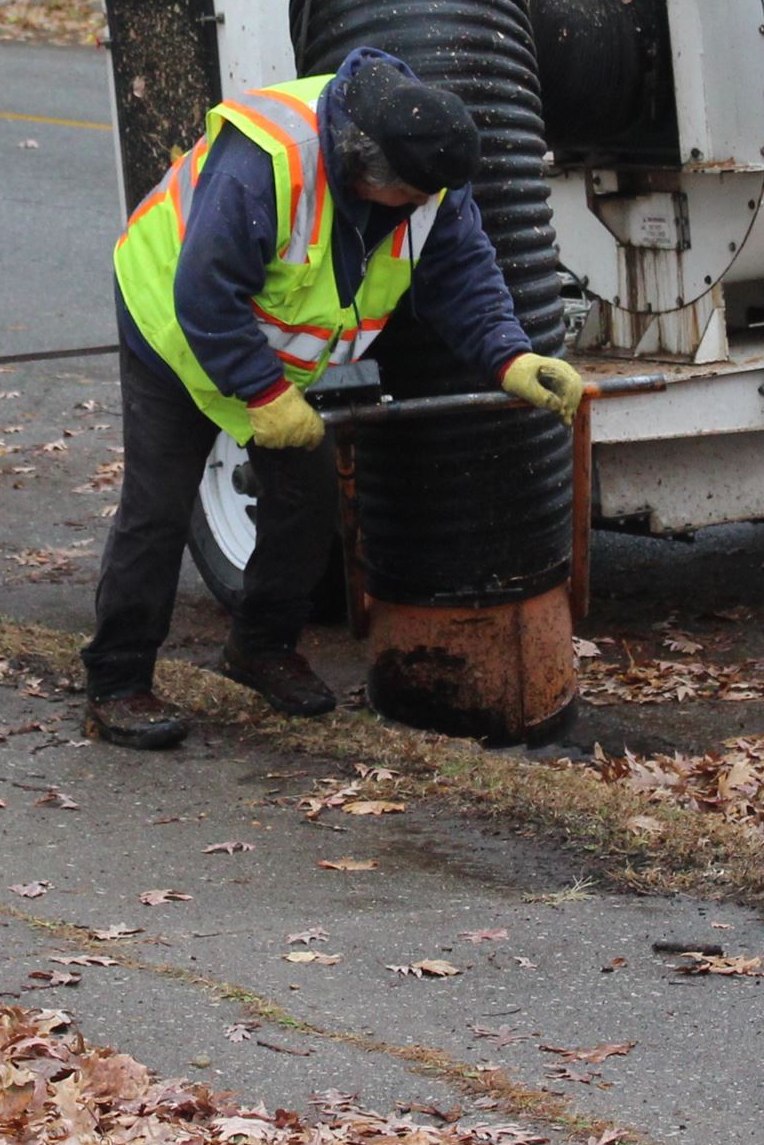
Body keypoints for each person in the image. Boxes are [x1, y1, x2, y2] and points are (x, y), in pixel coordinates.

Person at [82, 47, 586, 750]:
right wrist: (261, 393)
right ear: (363, 170)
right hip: (170, 318)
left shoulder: (426, 168)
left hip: (266, 345)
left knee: (307, 495)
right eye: (410, 197)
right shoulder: (270, 164)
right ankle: (118, 680)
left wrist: (511, 356)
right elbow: (203, 292)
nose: (421, 209)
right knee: (159, 505)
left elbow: (462, 272)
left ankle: (259, 649)